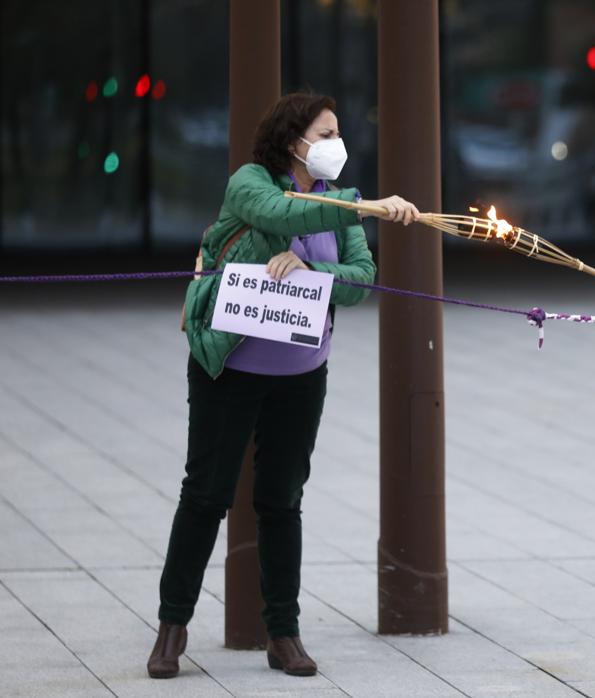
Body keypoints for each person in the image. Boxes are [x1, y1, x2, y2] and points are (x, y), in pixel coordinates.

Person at [147, 92, 419, 679]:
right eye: (324, 135)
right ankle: (171, 629)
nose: (334, 146)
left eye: (336, 134)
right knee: (205, 496)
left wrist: (314, 269)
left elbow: (359, 281)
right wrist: (366, 207)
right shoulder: (251, 183)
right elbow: (282, 215)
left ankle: (284, 634)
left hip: (300, 376)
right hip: (231, 368)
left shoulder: (337, 203)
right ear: (292, 139)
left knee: (281, 502)